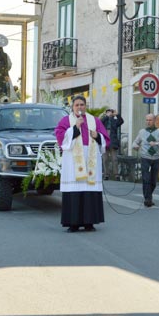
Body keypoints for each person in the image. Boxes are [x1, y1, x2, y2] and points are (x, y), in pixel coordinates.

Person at [54, 95, 109, 233]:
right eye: (77, 105)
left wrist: (97, 136)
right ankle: (73, 224)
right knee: (74, 190)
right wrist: (75, 127)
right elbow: (61, 138)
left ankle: (89, 223)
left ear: (85, 106)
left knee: (89, 191)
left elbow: (105, 139)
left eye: (82, 105)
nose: (80, 107)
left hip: (90, 159)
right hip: (73, 161)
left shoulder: (94, 120)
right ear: (72, 107)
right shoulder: (66, 120)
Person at [132, 113, 159, 207]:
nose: (148, 122)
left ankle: (148, 196)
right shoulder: (142, 132)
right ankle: (147, 199)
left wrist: (156, 143)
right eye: (147, 120)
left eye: (150, 120)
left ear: (154, 120)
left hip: (156, 158)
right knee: (146, 179)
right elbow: (135, 142)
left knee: (153, 181)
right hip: (145, 157)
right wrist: (135, 146)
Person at [100, 109, 124, 179]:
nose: (110, 113)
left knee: (114, 159)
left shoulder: (114, 120)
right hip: (105, 140)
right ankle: (106, 174)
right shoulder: (104, 119)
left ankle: (116, 175)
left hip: (113, 140)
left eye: (111, 112)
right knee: (105, 159)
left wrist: (117, 115)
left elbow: (121, 121)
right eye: (108, 112)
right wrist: (106, 116)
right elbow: (100, 123)